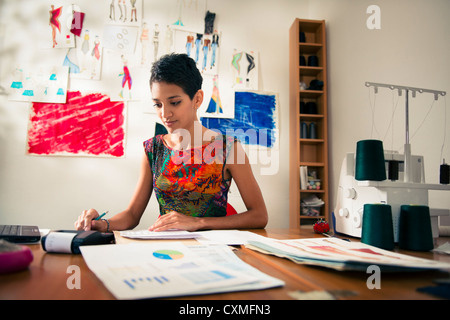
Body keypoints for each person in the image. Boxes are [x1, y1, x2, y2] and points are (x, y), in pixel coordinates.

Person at [74, 53, 268, 232]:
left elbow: (259, 216)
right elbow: (132, 215)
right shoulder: (153, 149)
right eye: (158, 104)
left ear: (197, 99)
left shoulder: (228, 149)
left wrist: (198, 223)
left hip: (214, 251)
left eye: (174, 102)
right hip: (167, 248)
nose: (165, 114)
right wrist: (100, 224)